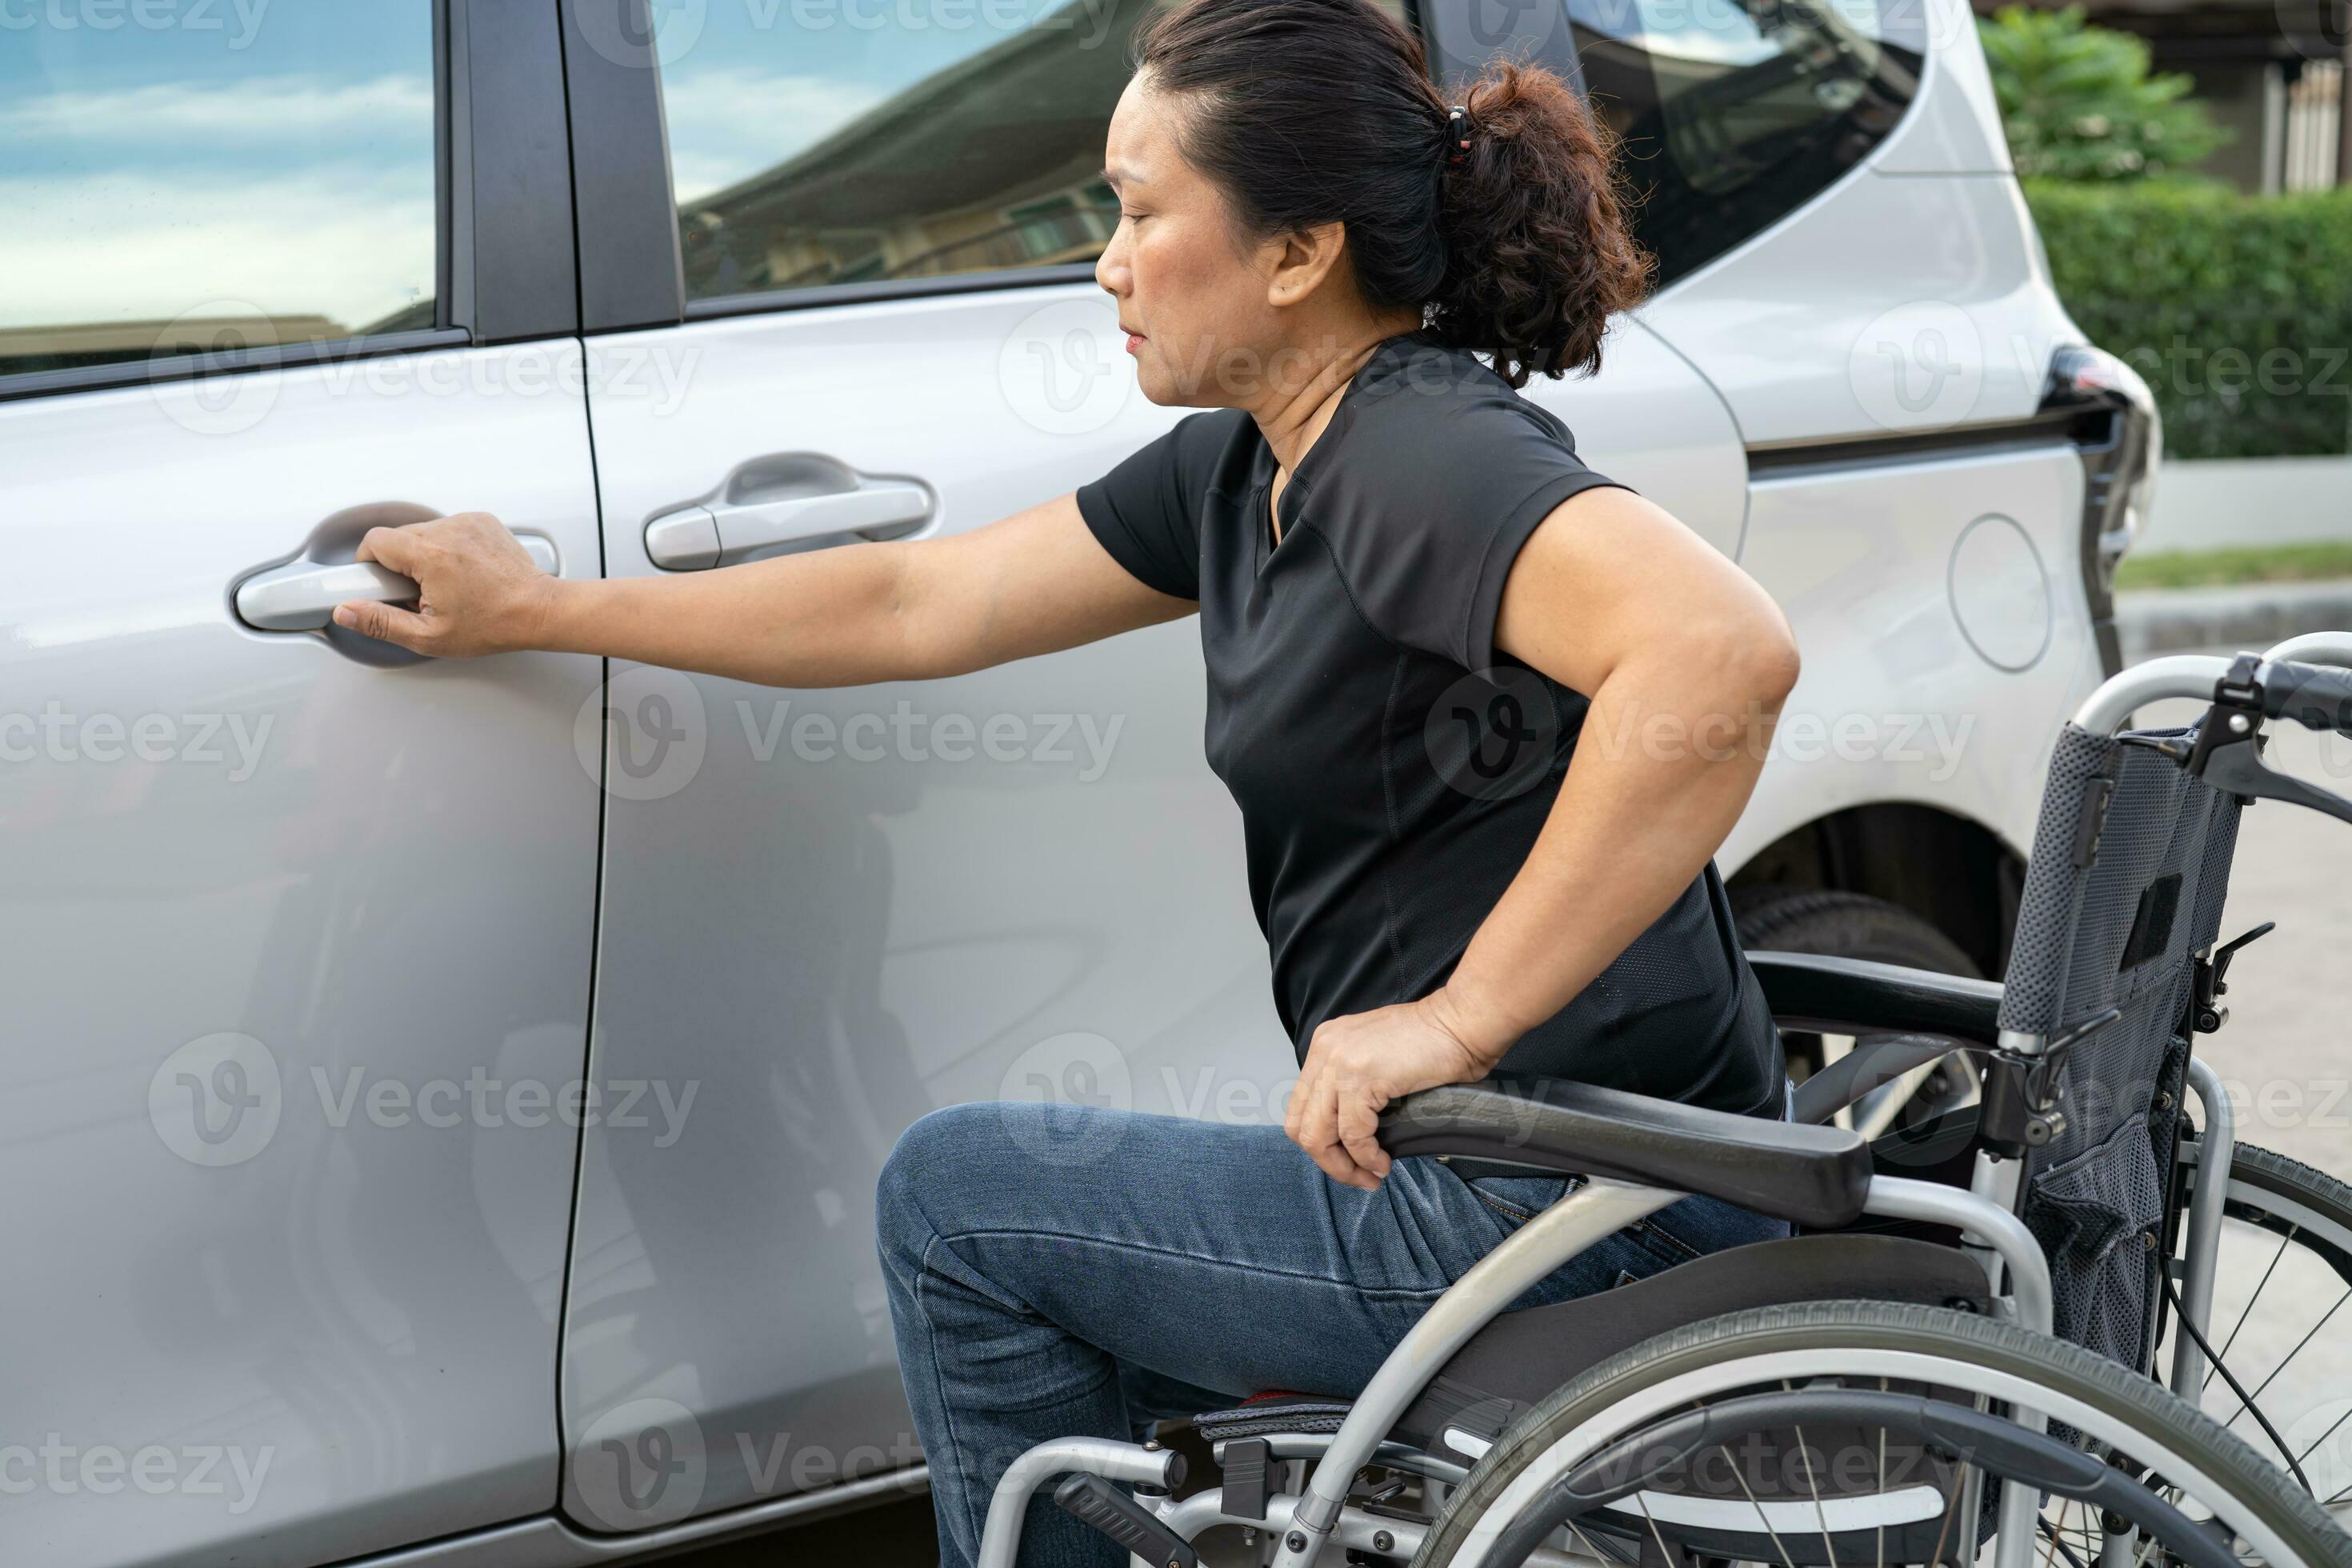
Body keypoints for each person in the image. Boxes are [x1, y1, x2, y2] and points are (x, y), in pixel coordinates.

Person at [327, 0, 1803, 1559]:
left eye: (1143, 209)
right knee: (1056, 1224)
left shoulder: (1410, 455)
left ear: (1298, 252)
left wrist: (1460, 1015)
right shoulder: (1254, 461)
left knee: (962, 1203)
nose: (1106, 260)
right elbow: (922, 602)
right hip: (1522, 1173)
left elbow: (1717, 655)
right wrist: (546, 608)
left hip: (1575, 1206)